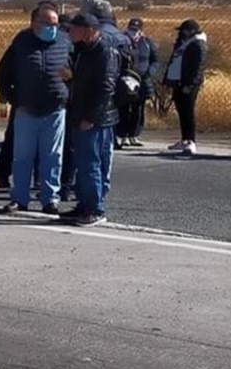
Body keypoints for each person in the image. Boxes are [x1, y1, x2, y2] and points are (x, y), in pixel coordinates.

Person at [0, 3, 71, 215]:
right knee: (22, 157)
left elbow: (77, 72)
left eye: (55, 23)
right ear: (33, 23)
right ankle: (19, 198)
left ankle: (50, 199)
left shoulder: (65, 42)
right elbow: (4, 74)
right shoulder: (21, 42)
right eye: (47, 23)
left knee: (52, 156)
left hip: (55, 108)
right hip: (26, 109)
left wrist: (68, 90)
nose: (52, 27)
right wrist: (15, 99)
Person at [63, 12, 120, 226]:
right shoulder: (83, 51)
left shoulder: (104, 51)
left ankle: (95, 208)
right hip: (81, 114)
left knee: (91, 164)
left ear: (89, 31)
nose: (70, 33)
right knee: (83, 163)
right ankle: (84, 204)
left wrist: (90, 117)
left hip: (96, 119)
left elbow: (105, 88)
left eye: (75, 29)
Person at [164, 19, 208, 157]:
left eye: (184, 31)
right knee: (181, 111)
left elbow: (198, 67)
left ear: (192, 31)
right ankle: (184, 139)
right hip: (178, 81)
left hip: (189, 83)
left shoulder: (198, 44)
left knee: (188, 112)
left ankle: (191, 141)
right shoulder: (182, 43)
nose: (182, 33)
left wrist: (190, 84)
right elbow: (174, 60)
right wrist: (167, 79)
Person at [117, 18, 159, 149]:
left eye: (136, 30)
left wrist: (149, 72)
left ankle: (134, 135)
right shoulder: (122, 41)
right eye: (131, 29)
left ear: (141, 30)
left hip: (142, 80)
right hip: (125, 80)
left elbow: (155, 59)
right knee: (123, 108)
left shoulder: (147, 43)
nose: (133, 32)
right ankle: (123, 135)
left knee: (138, 108)